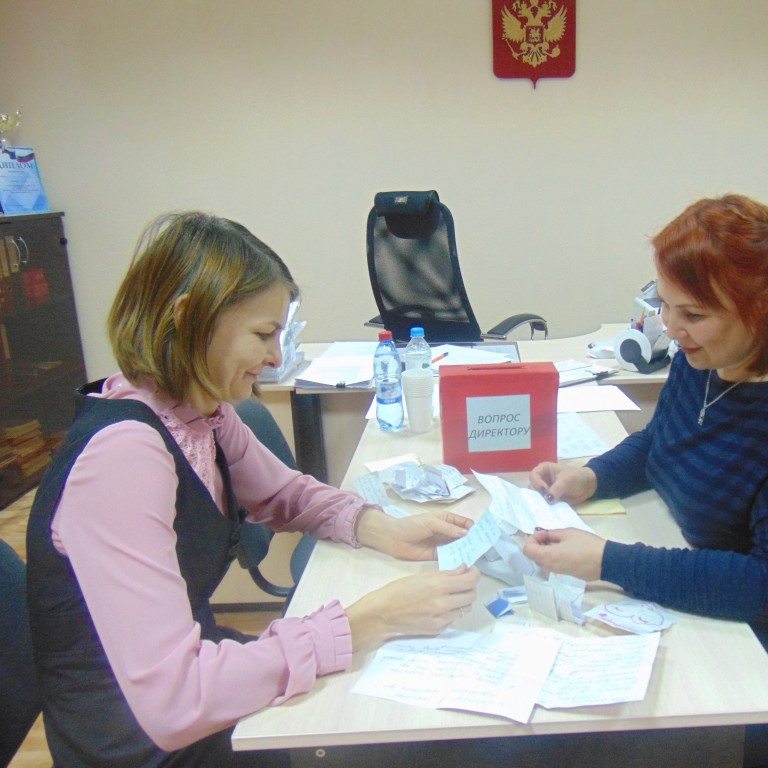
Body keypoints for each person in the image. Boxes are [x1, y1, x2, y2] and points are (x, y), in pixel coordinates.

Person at [26, 211, 480, 768]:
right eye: (263, 335)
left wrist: (383, 528)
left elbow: (287, 494)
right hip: (141, 743)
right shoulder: (123, 456)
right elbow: (177, 700)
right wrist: (370, 620)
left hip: (192, 695)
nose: (275, 357)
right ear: (188, 318)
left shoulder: (201, 413)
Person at [523, 195, 768, 767]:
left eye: (695, 314)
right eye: (664, 304)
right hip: (739, 613)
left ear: (765, 304)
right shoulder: (702, 357)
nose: (672, 328)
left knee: (603, 741)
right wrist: (592, 476)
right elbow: (663, 441)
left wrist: (608, 561)